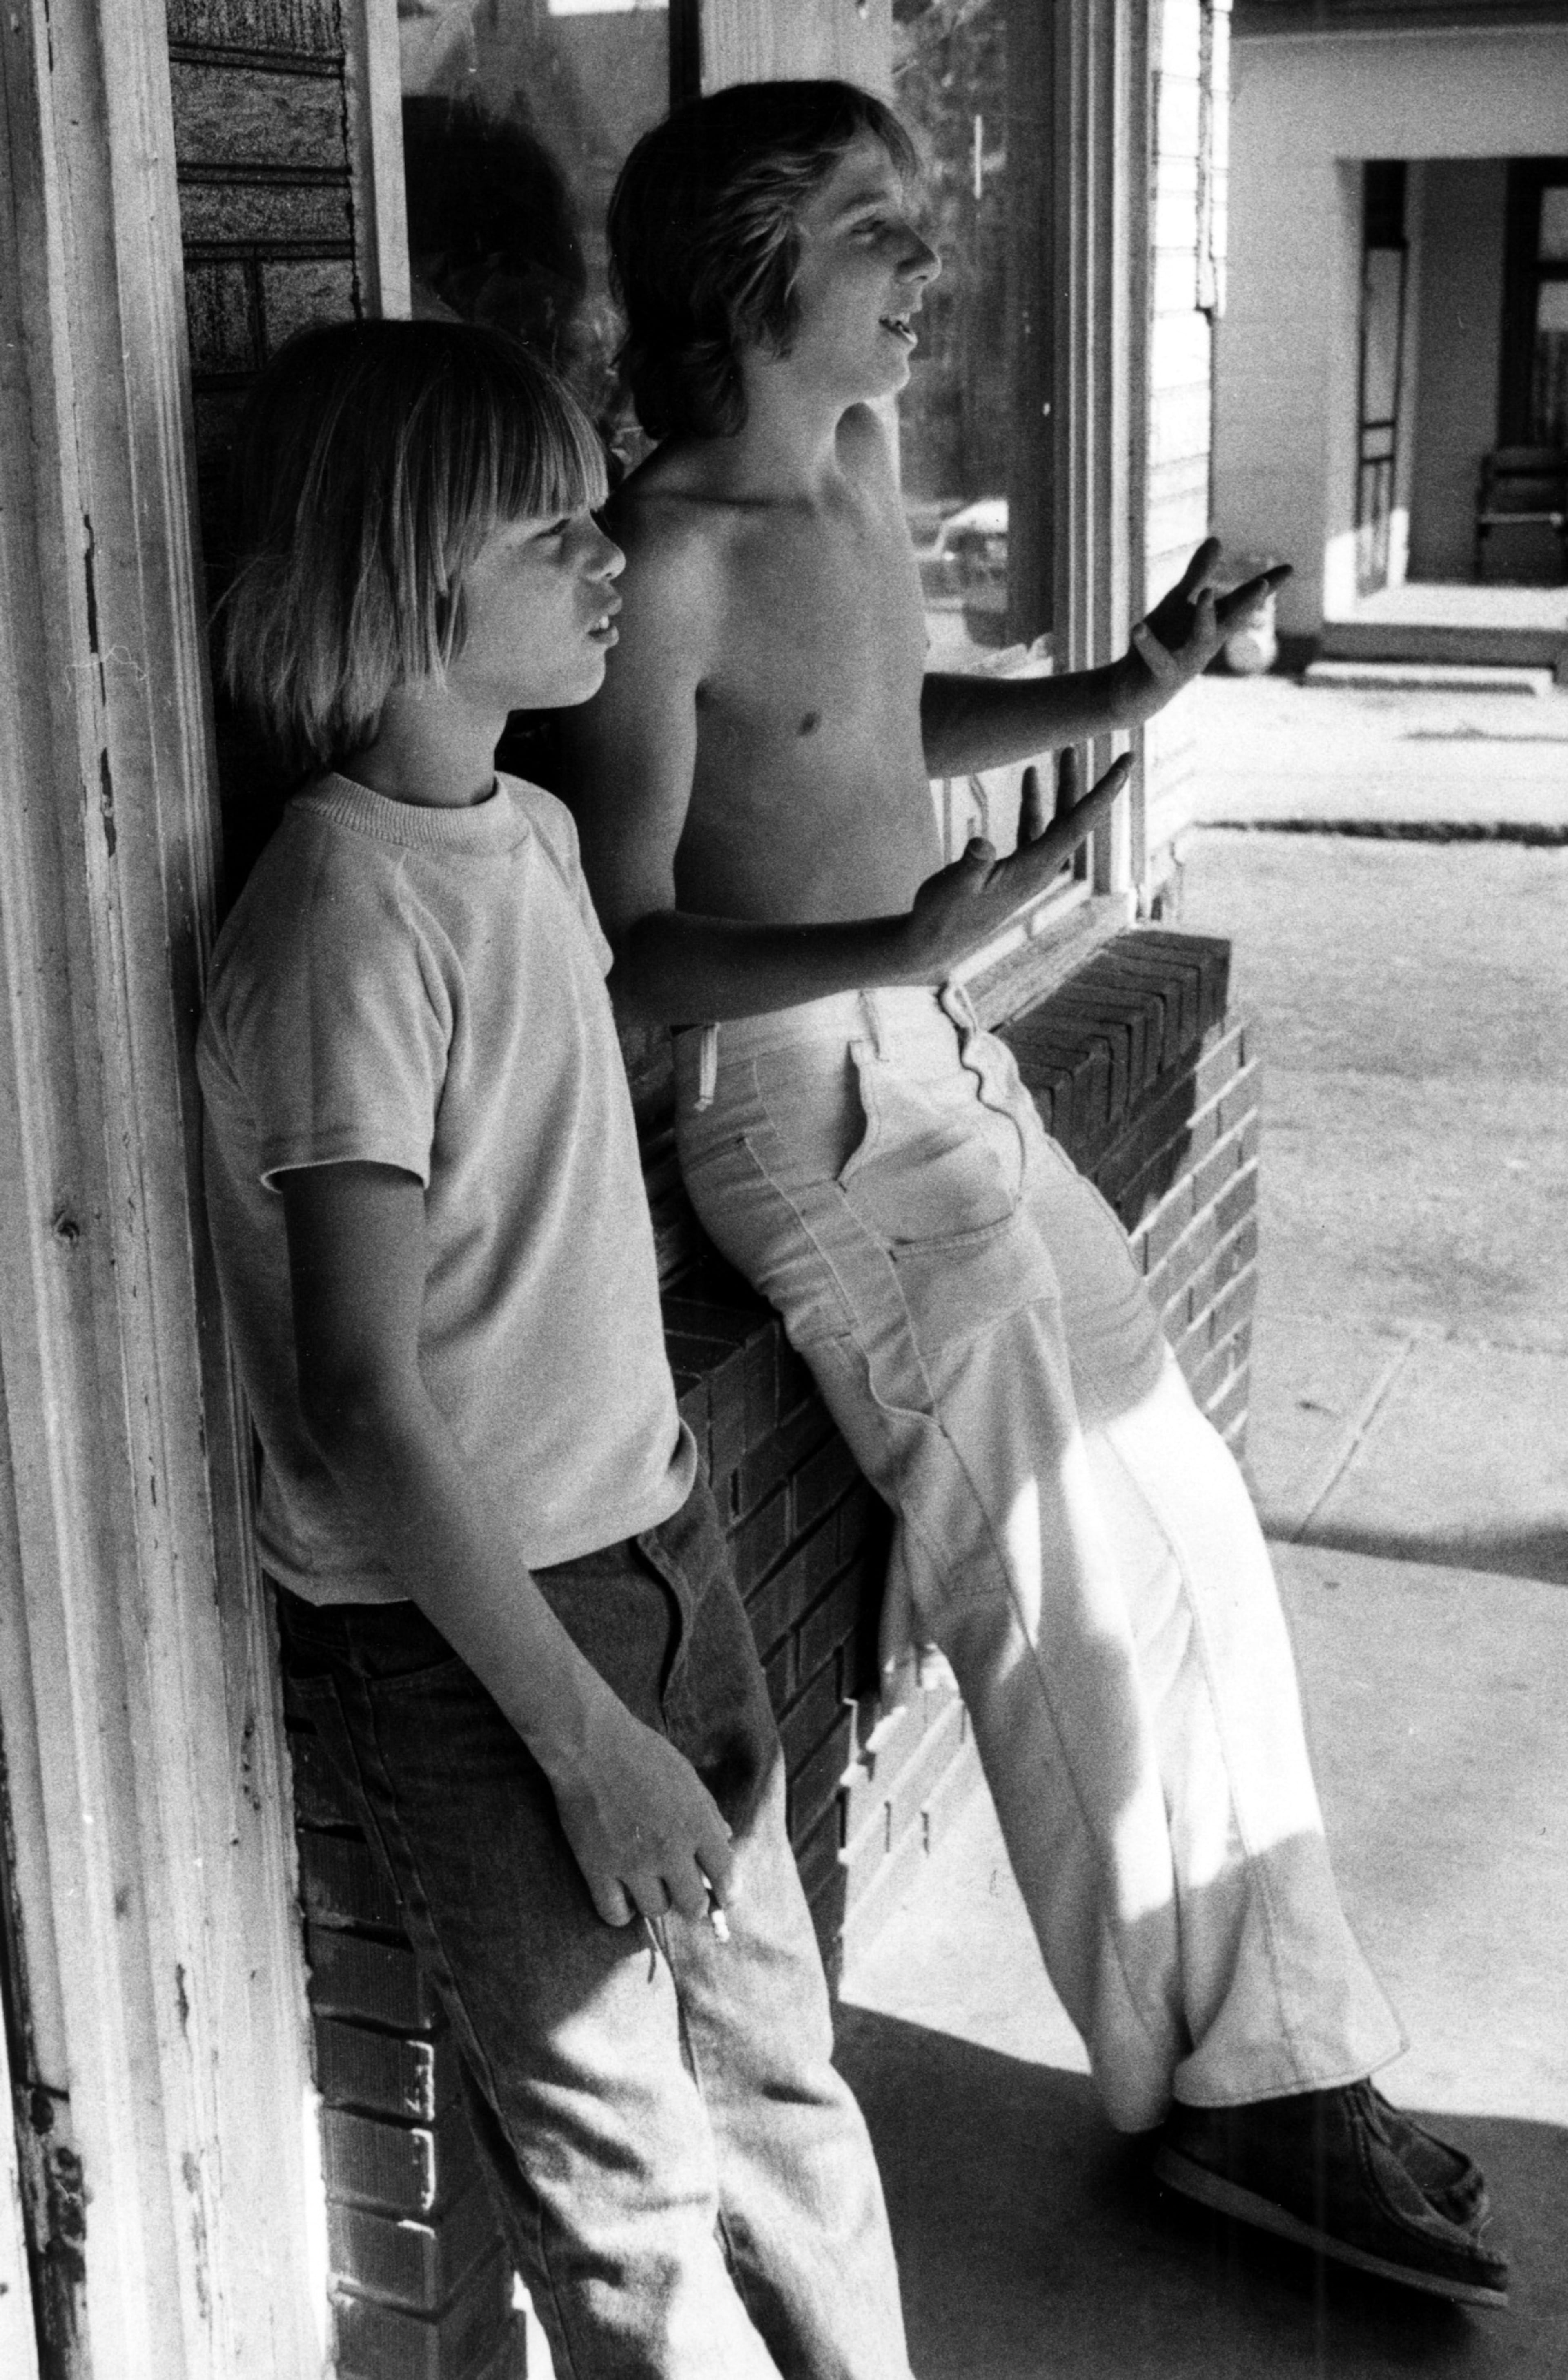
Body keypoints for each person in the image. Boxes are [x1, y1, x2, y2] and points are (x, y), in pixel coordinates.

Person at [561, 80, 1507, 2310]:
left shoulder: (864, 473)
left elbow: (885, 730)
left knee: (1183, 1517)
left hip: (948, 1062)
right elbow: (624, 946)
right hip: (800, 1105)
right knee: (1063, 1564)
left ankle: (1290, 2052)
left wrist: (1122, 687)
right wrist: (882, 953)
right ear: (762, 276)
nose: (929, 267)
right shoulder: (660, 559)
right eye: (883, 232)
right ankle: (1215, 2097)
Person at [196, 317, 915, 2380]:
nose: (615, 550)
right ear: (413, 584)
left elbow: (563, 1126)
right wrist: (582, 1738)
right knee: (630, 2207)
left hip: (658, 1548)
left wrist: (897, 940)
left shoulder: (518, 834)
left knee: (788, 2103)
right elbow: (356, 1397)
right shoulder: (341, 919)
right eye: (551, 528)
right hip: (478, 1647)